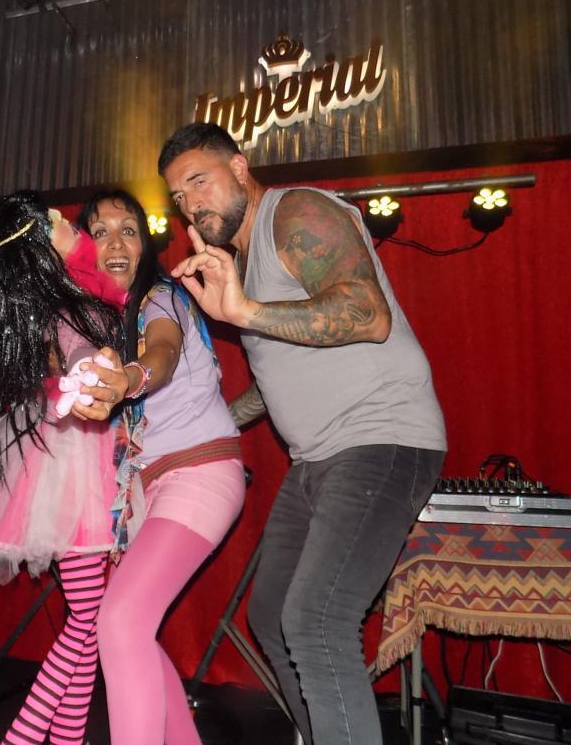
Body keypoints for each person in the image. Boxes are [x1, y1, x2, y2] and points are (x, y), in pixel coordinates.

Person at [162, 123, 446, 745]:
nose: (190, 205)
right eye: (179, 197)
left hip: (381, 437)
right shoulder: (242, 267)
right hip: (316, 459)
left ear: (240, 167)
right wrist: (206, 427)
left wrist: (244, 312)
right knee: (271, 614)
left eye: (199, 182)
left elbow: (367, 315)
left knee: (317, 619)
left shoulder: (295, 212)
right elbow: (279, 379)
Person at [0, 191, 126, 745]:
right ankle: (19, 739)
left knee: (85, 619)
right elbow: (77, 347)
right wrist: (87, 368)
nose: (70, 221)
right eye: (57, 222)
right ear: (44, 247)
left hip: (67, 453)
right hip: (75, 460)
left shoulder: (70, 296)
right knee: (86, 619)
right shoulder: (76, 302)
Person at [74, 189, 246, 745]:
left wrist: (130, 378)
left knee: (120, 622)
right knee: (131, 634)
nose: (115, 243)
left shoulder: (161, 297)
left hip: (199, 472)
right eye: (100, 232)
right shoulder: (104, 323)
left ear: (145, 244)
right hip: (155, 486)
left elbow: (163, 354)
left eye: (128, 229)